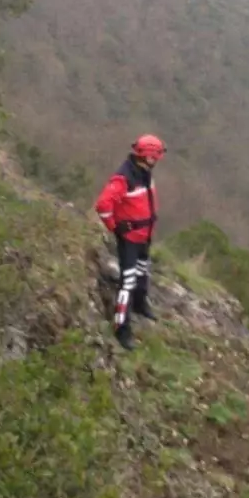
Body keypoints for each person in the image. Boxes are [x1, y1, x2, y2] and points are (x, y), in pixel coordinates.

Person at [95, 134, 166, 351]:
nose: (158, 160)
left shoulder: (144, 173)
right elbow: (103, 204)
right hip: (130, 238)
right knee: (127, 281)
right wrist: (115, 227)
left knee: (143, 270)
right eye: (156, 156)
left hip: (144, 235)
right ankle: (122, 329)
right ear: (148, 156)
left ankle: (140, 303)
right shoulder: (125, 178)